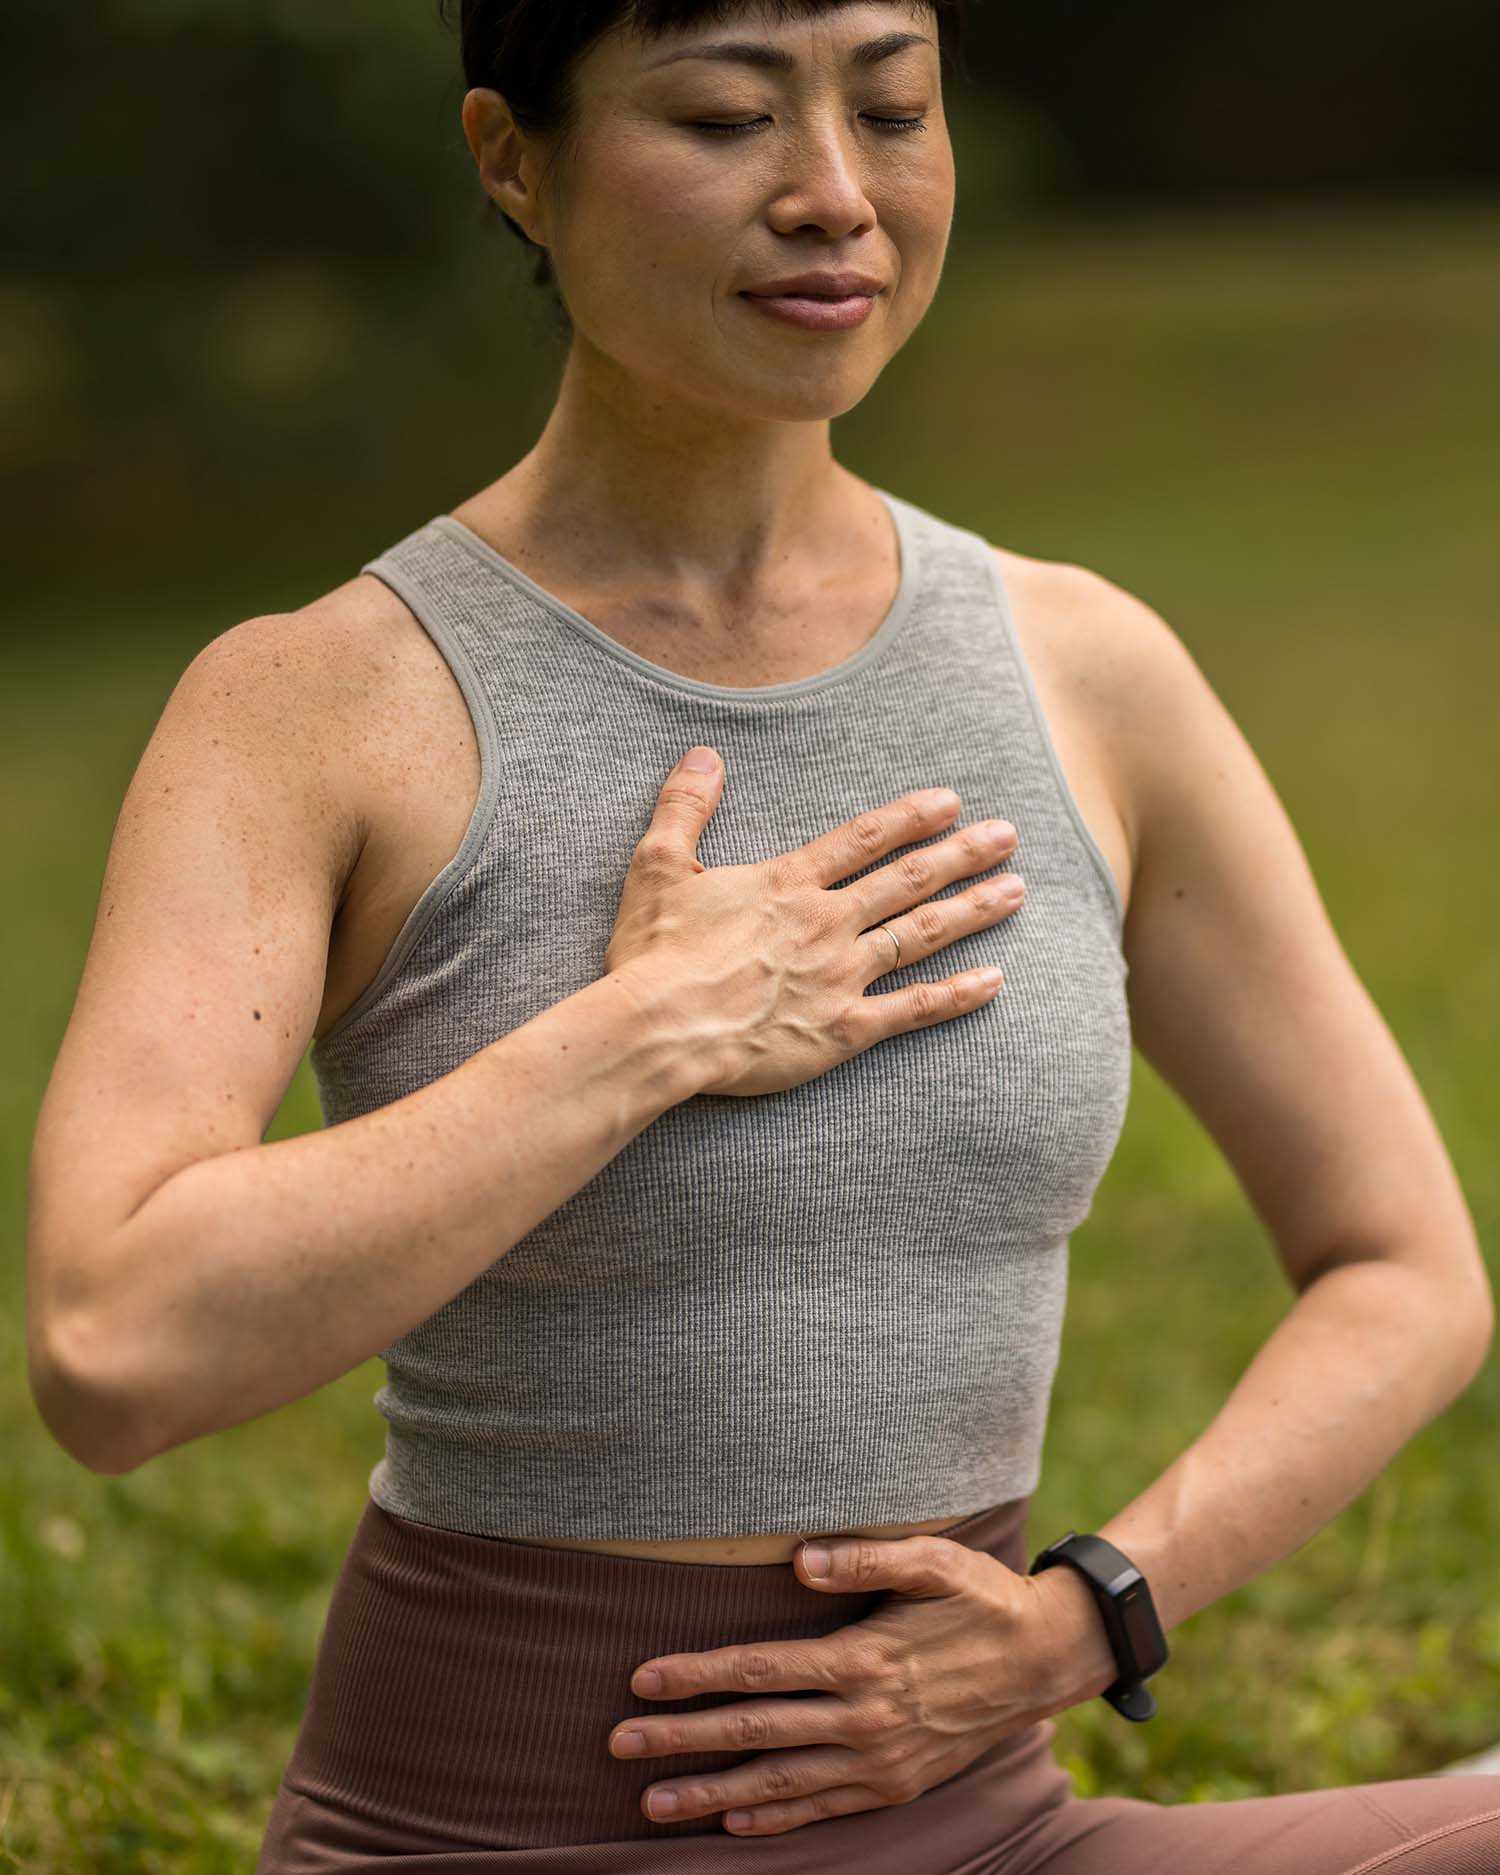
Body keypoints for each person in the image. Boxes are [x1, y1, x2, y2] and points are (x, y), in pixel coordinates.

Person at [26, 2, 1497, 1869]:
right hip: (494, 1838)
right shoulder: (315, 705)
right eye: (726, 116)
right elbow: (111, 1346)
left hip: (988, 1829)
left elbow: (1406, 1268)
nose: (833, 195)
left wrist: (1083, 1620)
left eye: (892, 110)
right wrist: (649, 1032)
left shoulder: (1086, 669)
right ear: (512, 160)